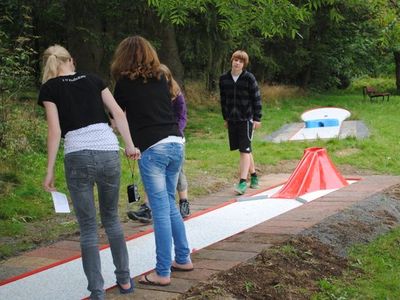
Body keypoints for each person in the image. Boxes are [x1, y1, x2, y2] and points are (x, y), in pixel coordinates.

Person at [38, 45, 140, 299]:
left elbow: (55, 131)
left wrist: (49, 169)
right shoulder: (93, 79)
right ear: (70, 60)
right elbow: (117, 113)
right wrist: (129, 145)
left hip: (78, 157)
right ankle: (125, 281)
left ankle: (97, 291)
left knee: (88, 228)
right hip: (107, 152)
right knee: (112, 219)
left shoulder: (49, 89)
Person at [111, 35, 193, 286]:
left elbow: (117, 117)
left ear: (123, 56)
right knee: (168, 204)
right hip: (175, 144)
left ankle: (162, 272)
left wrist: (125, 139)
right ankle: (183, 257)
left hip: (153, 149)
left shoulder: (123, 83)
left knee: (160, 212)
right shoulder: (162, 76)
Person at [127, 63, 190, 223]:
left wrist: (177, 129)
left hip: (174, 137)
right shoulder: (151, 94)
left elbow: (182, 116)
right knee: (152, 173)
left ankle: (183, 201)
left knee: (178, 174)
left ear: (168, 78)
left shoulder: (177, 95)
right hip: (154, 140)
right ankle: (148, 207)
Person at [219, 50, 262, 195]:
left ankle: (243, 182)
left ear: (244, 64)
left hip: (247, 119)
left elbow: (256, 99)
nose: (237, 63)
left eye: (241, 61)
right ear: (232, 61)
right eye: (236, 60)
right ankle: (254, 176)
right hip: (232, 119)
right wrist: (226, 117)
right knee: (245, 148)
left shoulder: (249, 78)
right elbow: (223, 100)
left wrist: (257, 118)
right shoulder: (224, 79)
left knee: (244, 150)